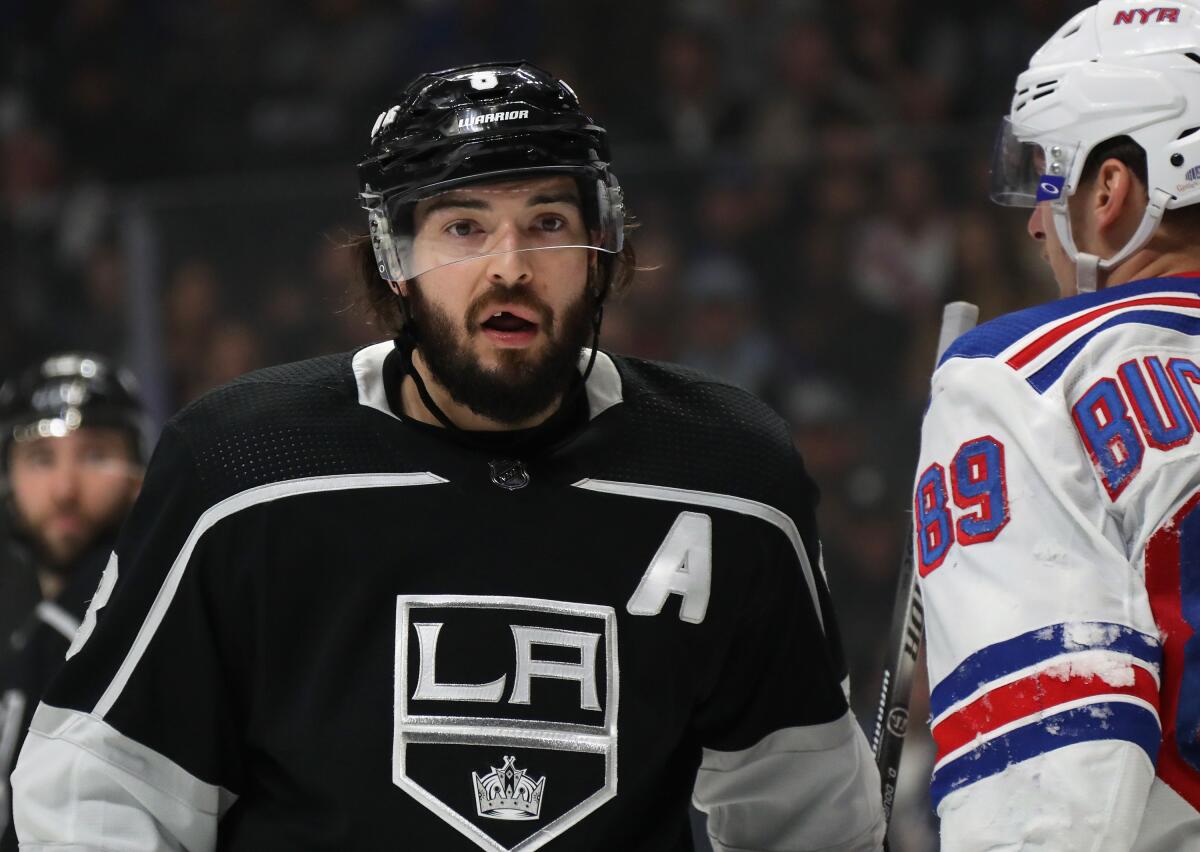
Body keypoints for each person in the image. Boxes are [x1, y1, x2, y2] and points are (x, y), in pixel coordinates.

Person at [11, 62, 885, 851]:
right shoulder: (242, 468)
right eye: (464, 228)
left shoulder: (730, 473)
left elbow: (808, 811)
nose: (510, 267)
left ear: (603, 248)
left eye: (547, 221)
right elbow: (101, 785)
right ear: (394, 259)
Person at [914, 2, 1200, 848]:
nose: (1038, 219)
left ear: (1111, 186)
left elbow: (1055, 760)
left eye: (1048, 177)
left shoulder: (1021, 374)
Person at [0, 353, 145, 850]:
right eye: (41, 458)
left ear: (141, 475)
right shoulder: (38, 628)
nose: (64, 490)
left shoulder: (85, 631)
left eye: (96, 455)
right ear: (8, 479)